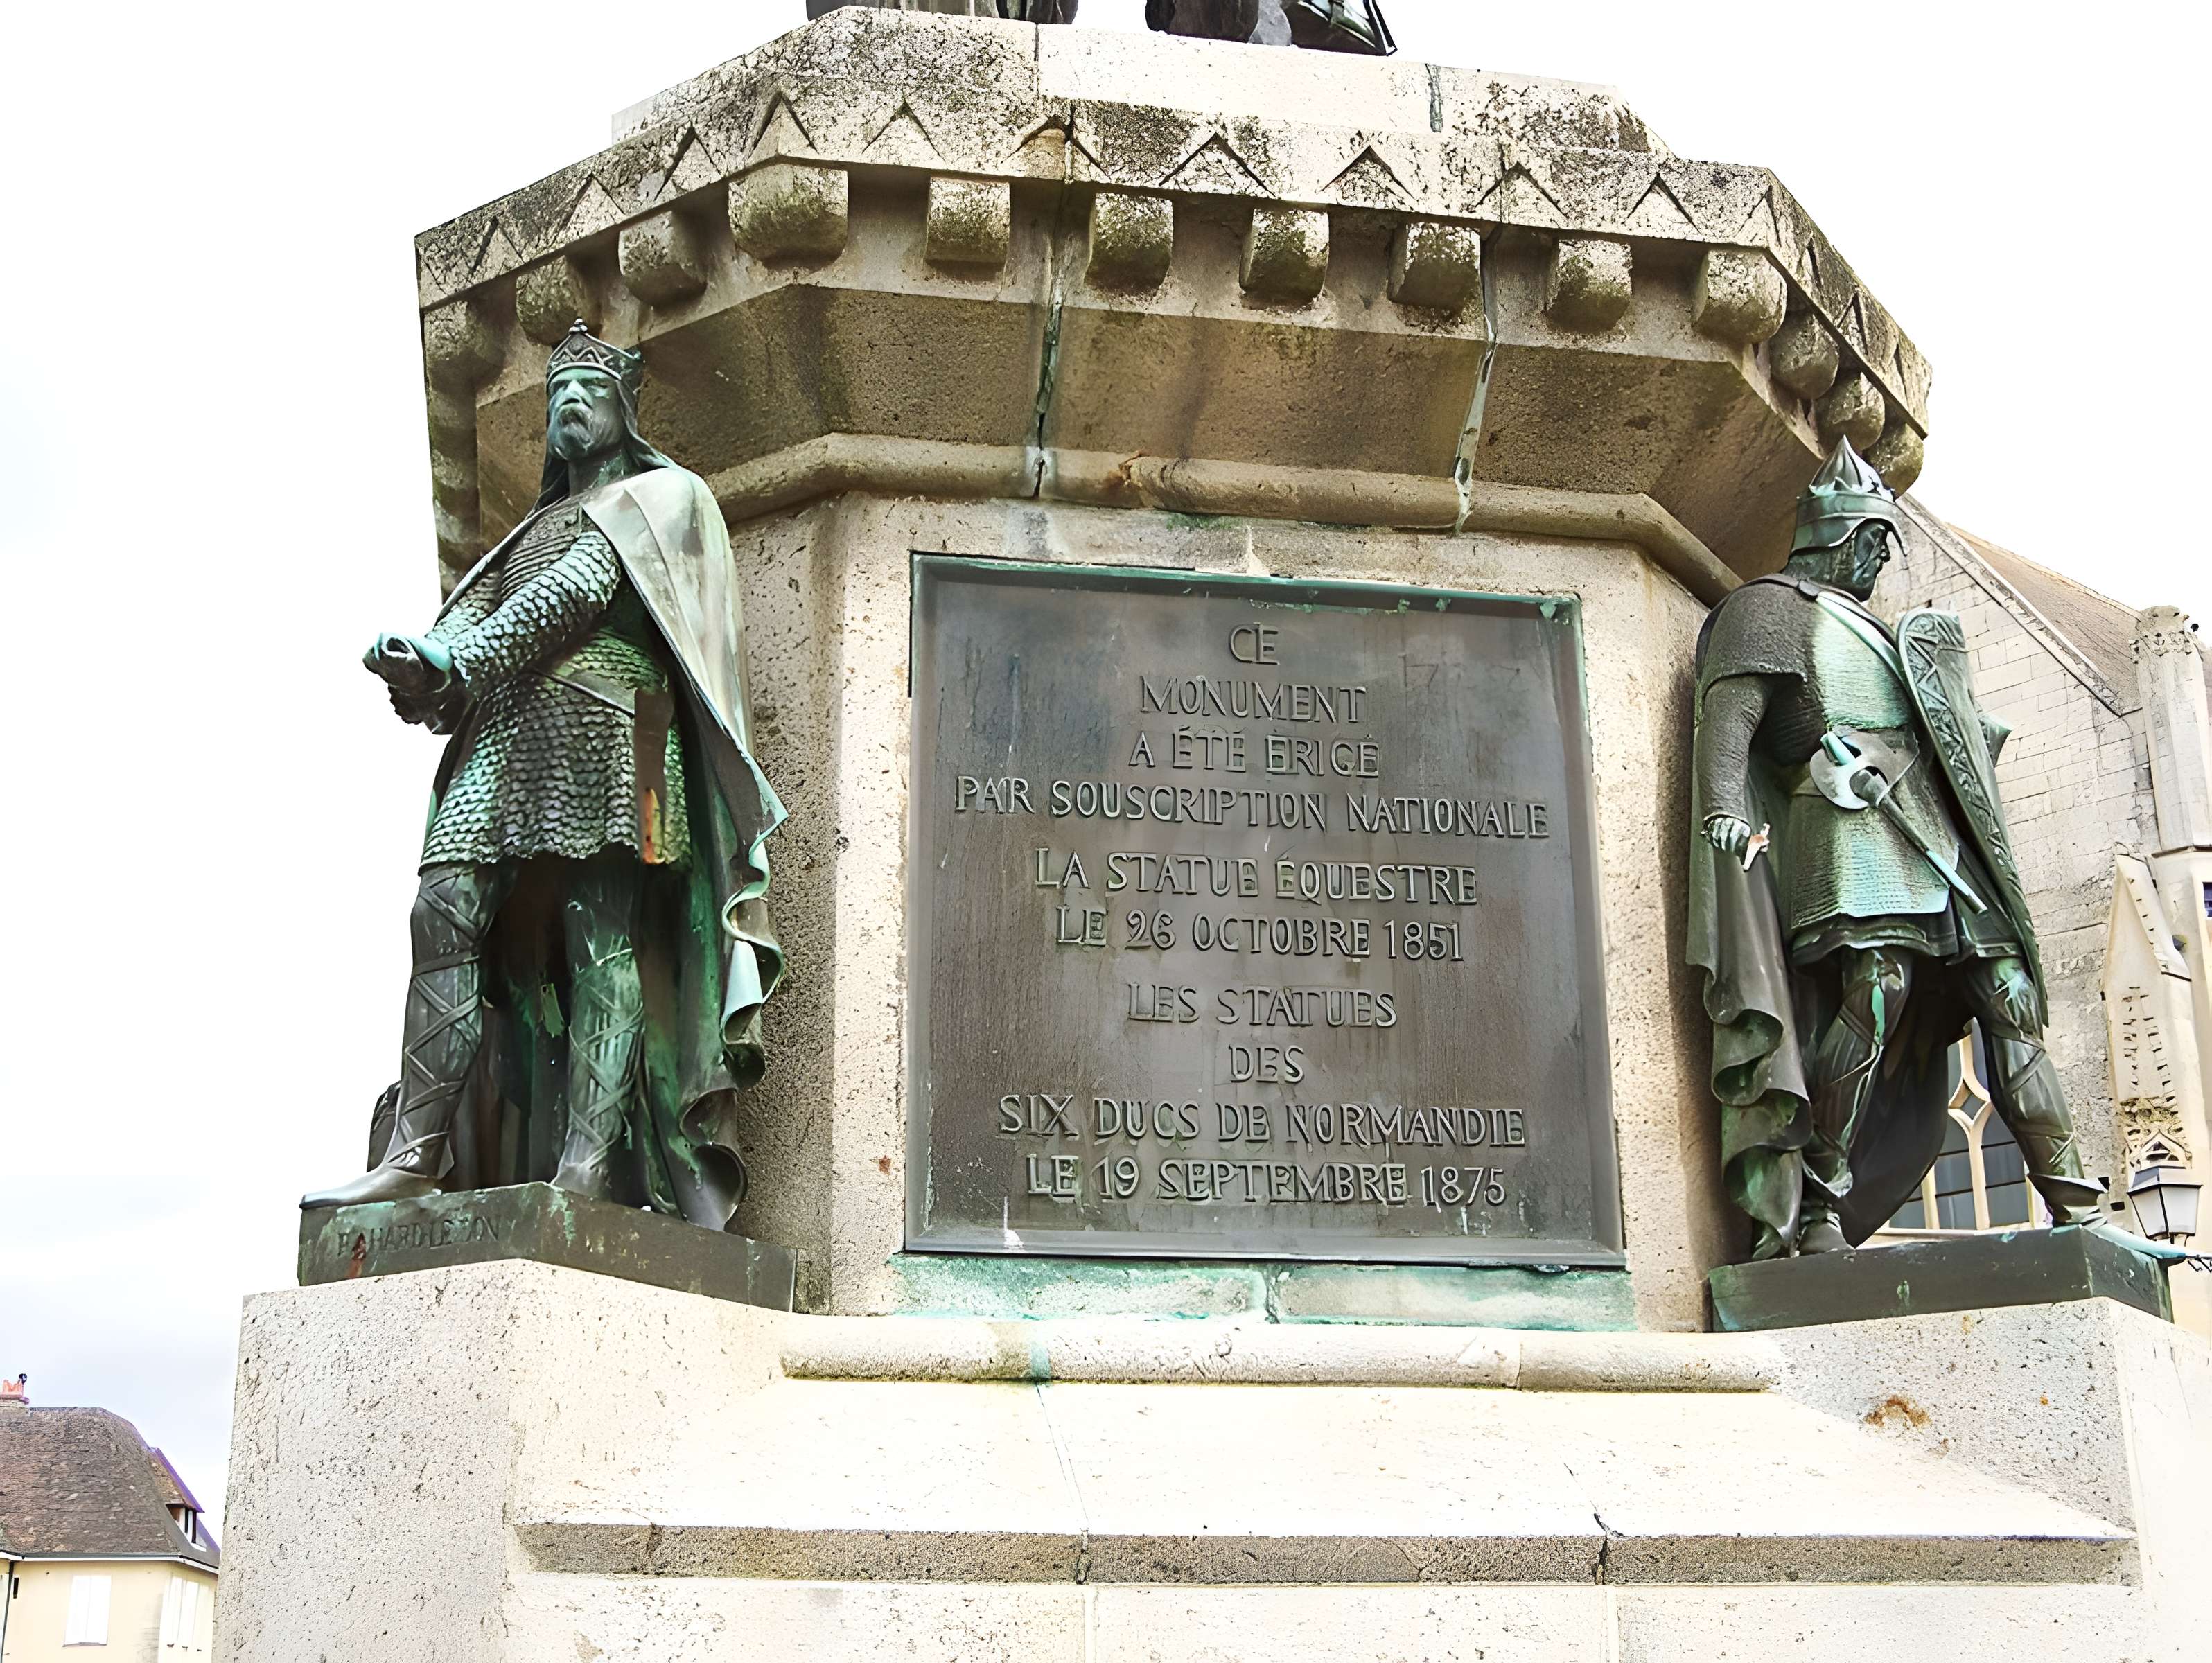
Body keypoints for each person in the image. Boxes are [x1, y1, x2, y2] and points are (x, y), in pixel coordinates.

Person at [302, 324, 784, 1229]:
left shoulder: (659, 500)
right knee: (442, 906)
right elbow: (482, 610)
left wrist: (461, 659)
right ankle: (415, 1153)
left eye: (586, 393)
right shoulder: (529, 528)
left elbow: (571, 594)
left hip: (619, 732)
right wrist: (426, 661)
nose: (567, 403)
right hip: (510, 730)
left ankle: (587, 1170)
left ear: (622, 410)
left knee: (601, 936)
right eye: (556, 392)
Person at [1689, 439, 2111, 1258]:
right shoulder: (1769, 609)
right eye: (1876, 543)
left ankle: (2080, 1211)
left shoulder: (1884, 632)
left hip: (1931, 830)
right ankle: (1817, 1203)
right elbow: (1728, 726)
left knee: (2009, 992)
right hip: (1844, 826)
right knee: (1873, 991)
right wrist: (1721, 815)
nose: (1882, 560)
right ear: (1843, 537)